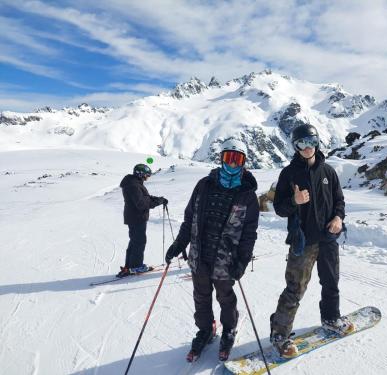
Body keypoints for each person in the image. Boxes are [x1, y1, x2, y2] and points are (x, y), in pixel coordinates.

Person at [165, 139, 259, 362]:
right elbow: (190, 219)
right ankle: (206, 330)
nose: (232, 164)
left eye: (238, 159)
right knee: (201, 296)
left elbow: (249, 233)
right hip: (200, 254)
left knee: (226, 297)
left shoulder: (247, 194)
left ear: (244, 163)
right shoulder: (204, 185)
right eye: (229, 158)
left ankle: (228, 330)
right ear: (221, 159)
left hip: (226, 259)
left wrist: (242, 261)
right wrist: (179, 244)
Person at [269, 124, 353, 358]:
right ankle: (279, 334)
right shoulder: (289, 174)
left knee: (331, 282)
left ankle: (330, 318)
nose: (306, 147)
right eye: (300, 143)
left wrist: (338, 217)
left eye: (310, 141)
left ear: (317, 141)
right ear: (294, 146)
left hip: (327, 238)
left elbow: (339, 201)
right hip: (303, 241)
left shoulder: (328, 172)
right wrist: (295, 200)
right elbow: (279, 208)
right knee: (295, 289)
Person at [117, 163, 168, 277]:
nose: (147, 177)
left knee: (134, 242)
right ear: (141, 174)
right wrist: (158, 202)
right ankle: (136, 266)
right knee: (139, 242)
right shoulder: (133, 185)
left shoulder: (133, 183)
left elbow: (145, 197)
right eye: (146, 175)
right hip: (137, 218)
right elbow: (141, 203)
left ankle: (129, 266)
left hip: (134, 217)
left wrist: (158, 199)